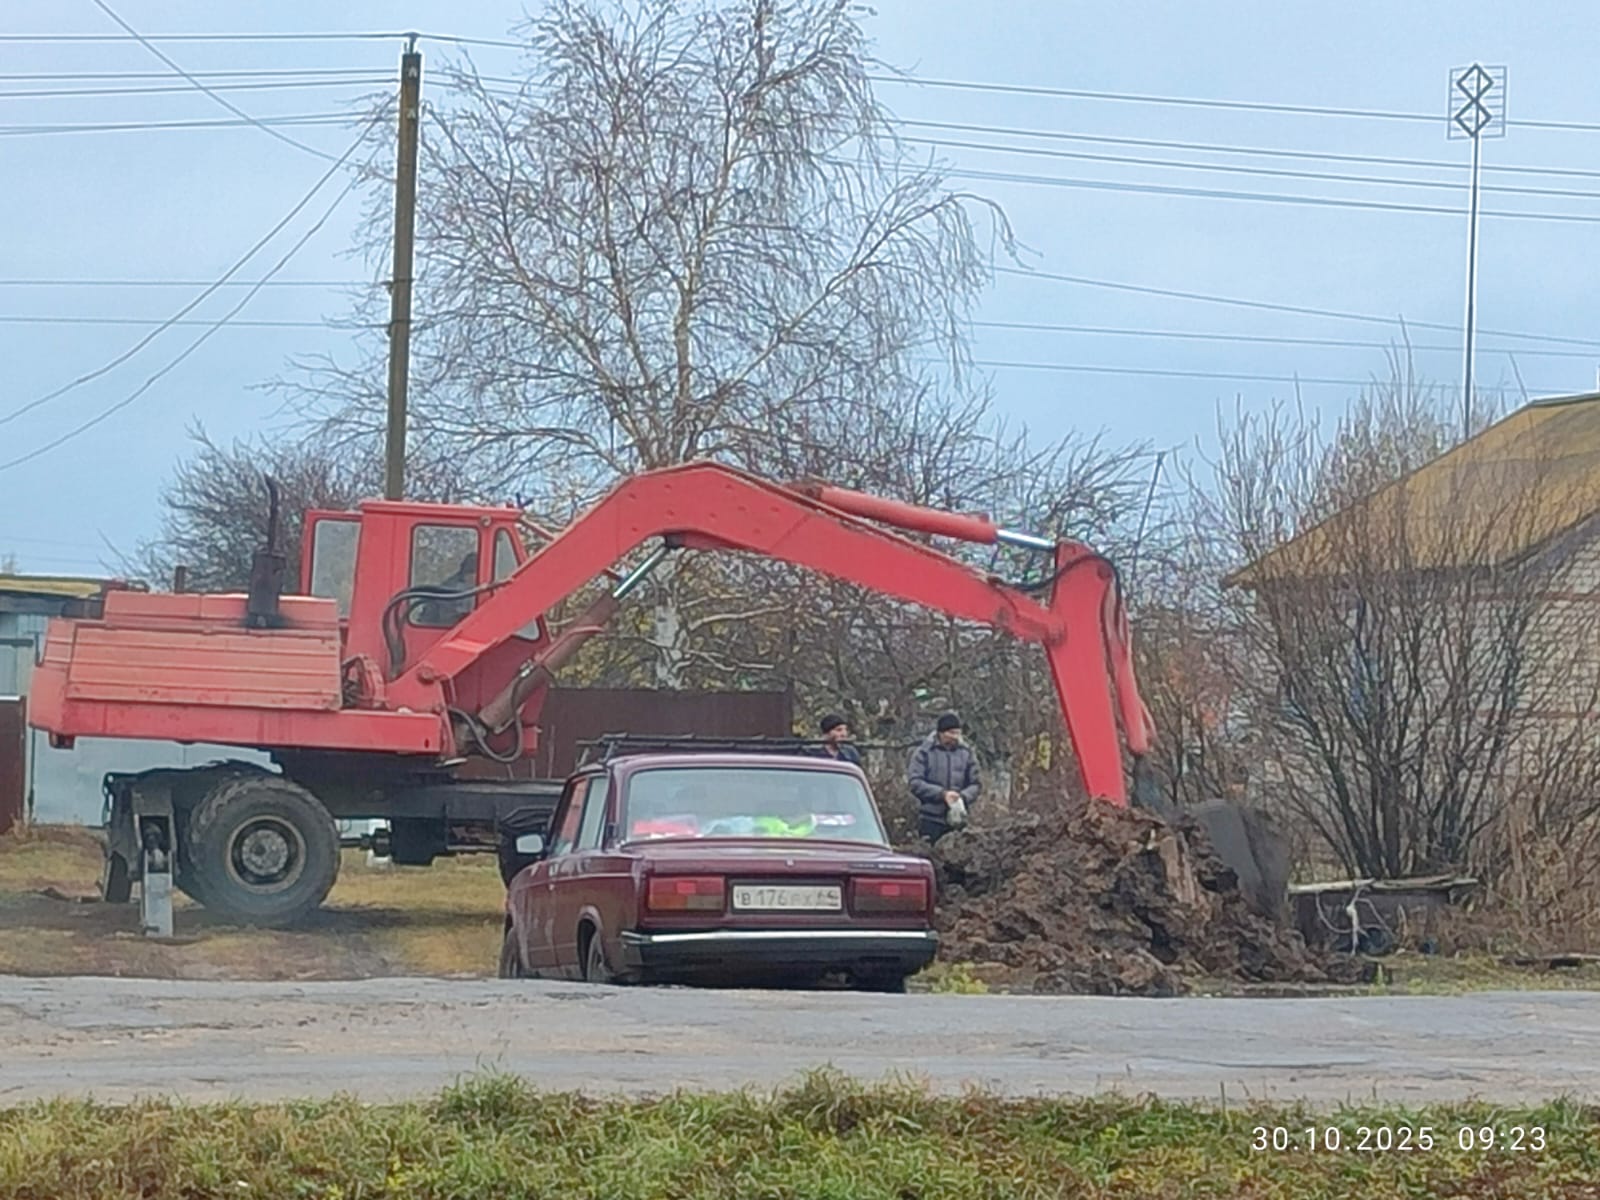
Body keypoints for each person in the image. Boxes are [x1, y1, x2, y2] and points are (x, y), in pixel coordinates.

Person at [907, 711, 980, 843]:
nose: (955, 737)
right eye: (951, 733)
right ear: (941, 733)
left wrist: (962, 797)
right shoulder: (924, 752)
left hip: (958, 819)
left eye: (957, 733)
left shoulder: (967, 753)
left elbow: (976, 783)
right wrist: (942, 794)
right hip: (930, 819)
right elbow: (915, 782)